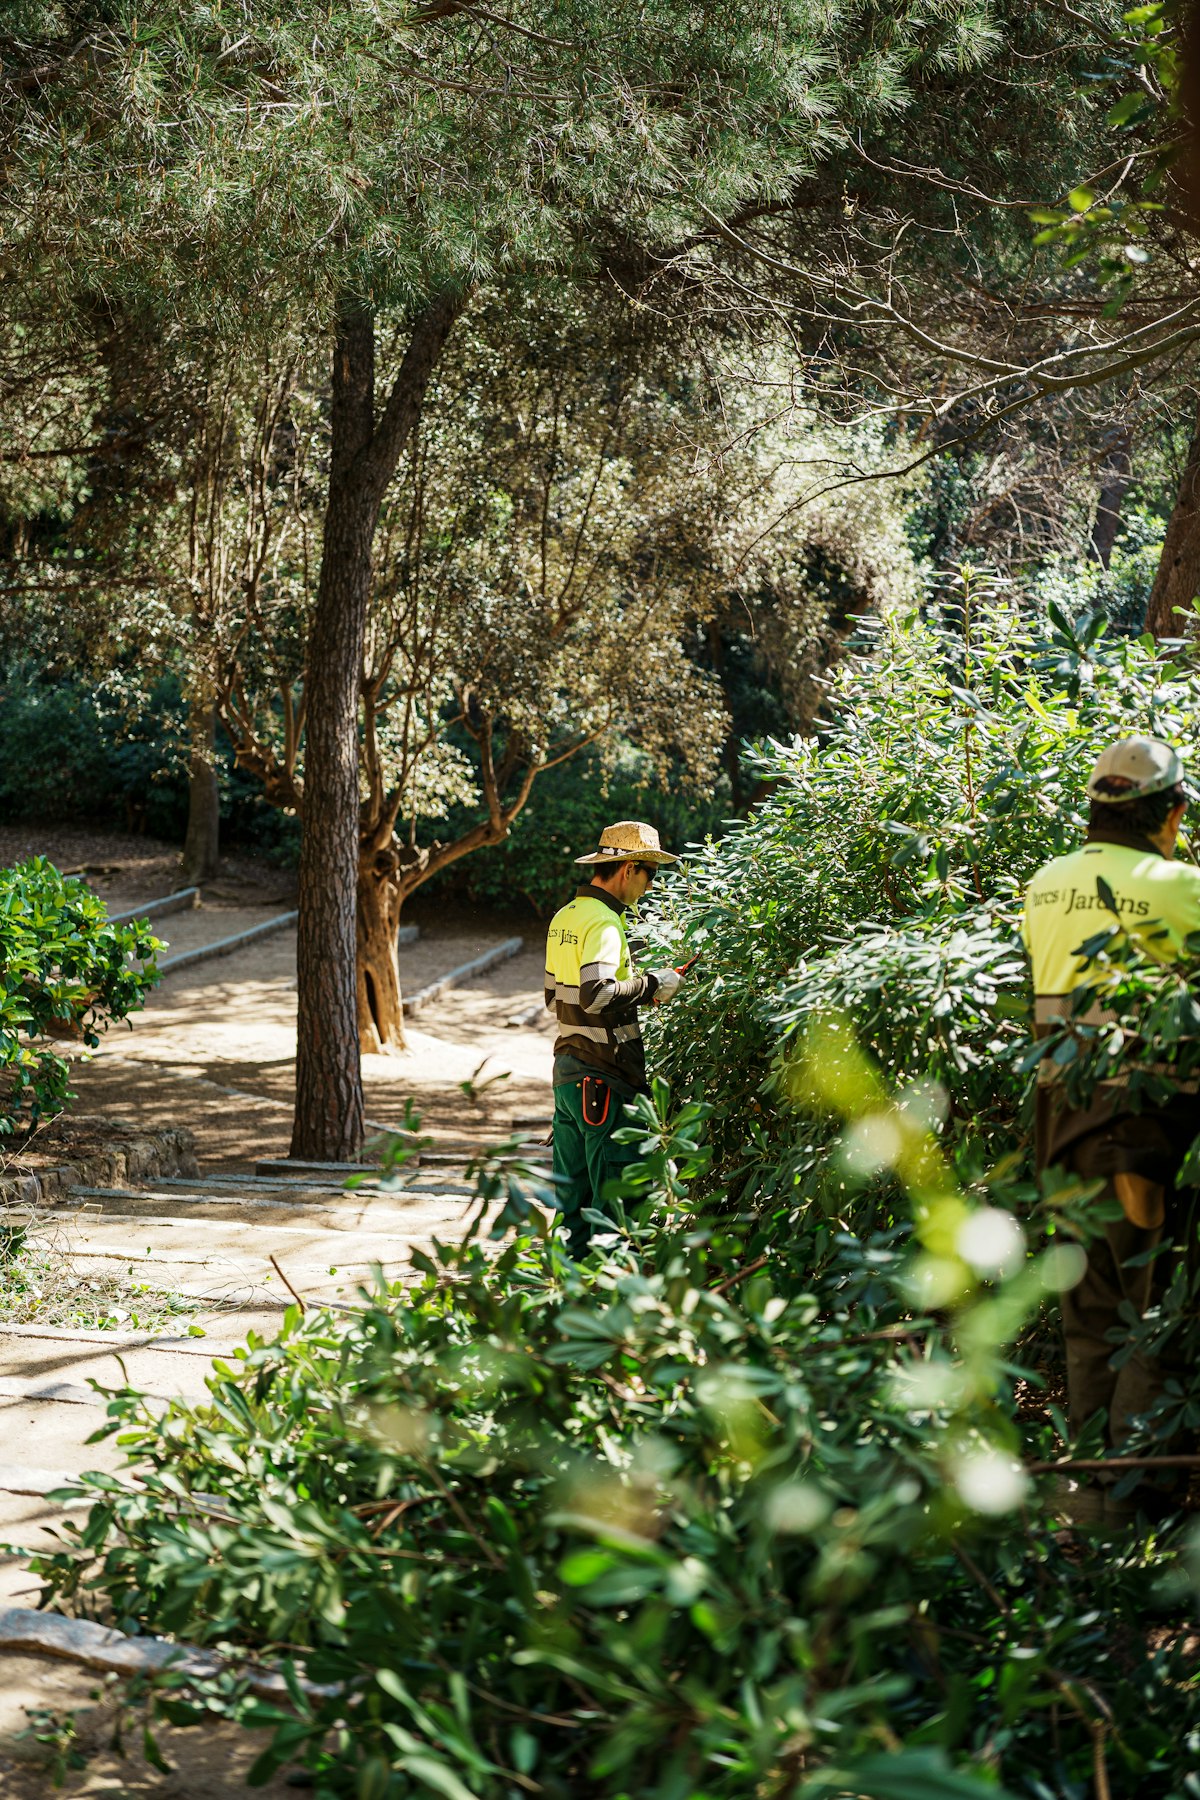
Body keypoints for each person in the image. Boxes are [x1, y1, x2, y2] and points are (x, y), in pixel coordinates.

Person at [1022, 735, 1200, 1524]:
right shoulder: (1181, 889)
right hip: (1140, 1131)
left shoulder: (1044, 884)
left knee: (1089, 1306)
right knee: (1150, 1303)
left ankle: (1087, 1487)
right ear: (1171, 812)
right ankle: (1138, 1494)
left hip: (1059, 1120)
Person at [544, 820, 687, 1252]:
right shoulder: (605, 923)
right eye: (651, 874)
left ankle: (564, 1303)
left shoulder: (564, 916)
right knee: (615, 1210)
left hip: (569, 1078)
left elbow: (554, 999)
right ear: (629, 869)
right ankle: (607, 1309)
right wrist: (653, 984)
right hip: (605, 1081)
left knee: (573, 1207)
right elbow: (598, 993)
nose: (649, 885)